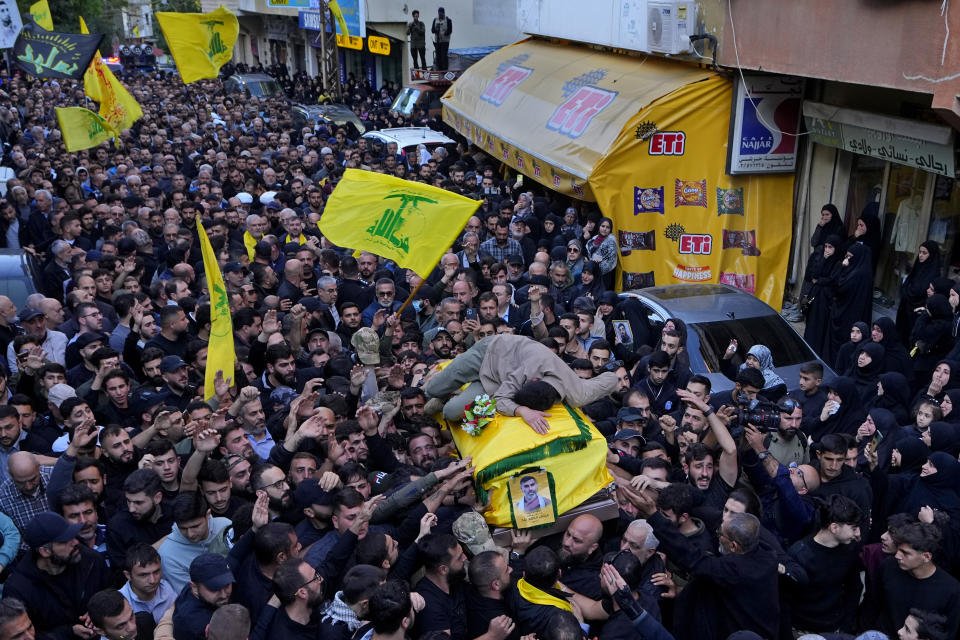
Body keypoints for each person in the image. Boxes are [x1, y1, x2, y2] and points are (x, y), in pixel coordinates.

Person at [424, 334, 618, 433]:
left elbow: (610, 380)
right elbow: (501, 399)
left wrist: (610, 370)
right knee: (432, 389)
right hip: (490, 352)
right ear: (532, 381)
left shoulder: (577, 393)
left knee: (451, 413)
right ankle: (447, 391)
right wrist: (522, 411)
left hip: (493, 382)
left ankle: (452, 397)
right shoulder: (526, 371)